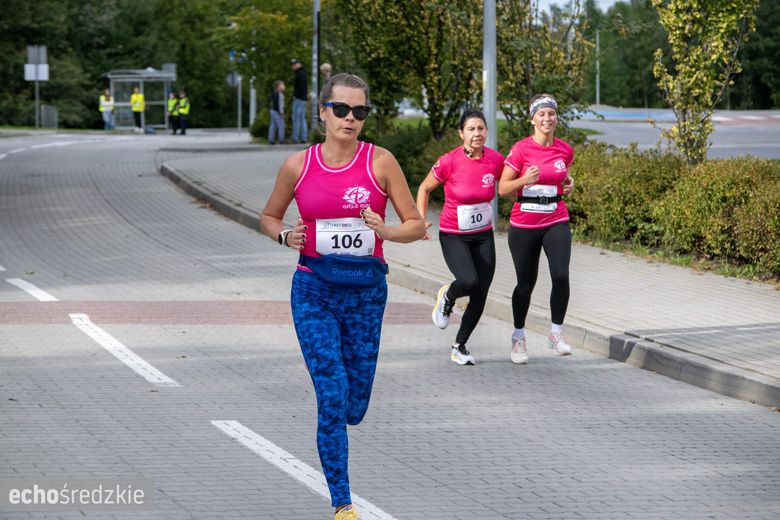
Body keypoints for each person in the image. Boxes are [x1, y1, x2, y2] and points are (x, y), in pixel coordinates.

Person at [260, 73, 425, 520]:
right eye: (341, 110)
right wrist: (284, 237)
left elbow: (417, 224)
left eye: (360, 112)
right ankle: (342, 503)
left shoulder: (381, 162)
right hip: (313, 288)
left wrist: (386, 230)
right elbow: (269, 215)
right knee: (331, 393)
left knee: (355, 404)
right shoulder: (299, 165)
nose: (350, 119)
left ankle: (348, 417)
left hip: (367, 294)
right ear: (322, 113)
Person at [416, 108, 505, 365]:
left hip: (483, 235)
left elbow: (512, 181)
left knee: (481, 291)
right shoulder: (449, 161)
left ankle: (460, 346)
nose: (477, 133)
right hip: (454, 235)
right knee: (468, 281)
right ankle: (448, 295)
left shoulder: (495, 160)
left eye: (481, 128)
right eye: (471, 129)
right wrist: (421, 221)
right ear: (461, 133)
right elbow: (424, 188)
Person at [498, 94, 576, 364]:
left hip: (556, 219)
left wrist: (568, 182)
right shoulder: (520, 149)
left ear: (556, 118)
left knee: (561, 276)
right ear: (532, 119)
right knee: (525, 284)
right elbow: (502, 188)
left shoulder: (565, 150)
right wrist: (523, 179)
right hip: (524, 224)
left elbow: (560, 174)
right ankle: (518, 336)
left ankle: (556, 333)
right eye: (541, 114)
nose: (547, 118)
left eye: (551, 114)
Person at [290, 58, 308, 143]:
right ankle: (304, 138)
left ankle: (295, 138)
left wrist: (295, 96)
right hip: (303, 99)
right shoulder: (303, 73)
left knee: (296, 119)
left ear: (299, 64)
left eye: (295, 64)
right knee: (302, 119)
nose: (293, 66)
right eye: (293, 65)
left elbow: (300, 88)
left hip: (299, 99)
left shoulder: (300, 74)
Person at [268, 80, 285, 144]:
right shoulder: (280, 94)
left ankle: (271, 140)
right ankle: (281, 140)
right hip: (277, 112)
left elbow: (271, 102)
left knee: (273, 125)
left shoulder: (273, 93)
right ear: (278, 87)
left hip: (272, 110)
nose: (284, 86)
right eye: (282, 85)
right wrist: (282, 113)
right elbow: (280, 104)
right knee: (281, 125)